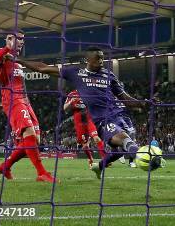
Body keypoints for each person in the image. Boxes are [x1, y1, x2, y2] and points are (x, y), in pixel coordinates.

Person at [15, 46, 160, 179]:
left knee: (119, 151)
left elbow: (125, 98)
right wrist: (20, 60)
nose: (101, 61)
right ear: (87, 60)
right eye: (98, 58)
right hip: (102, 119)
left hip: (120, 115)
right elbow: (42, 68)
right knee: (124, 139)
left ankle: (99, 166)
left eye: (102, 58)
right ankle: (144, 156)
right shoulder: (76, 73)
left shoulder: (109, 75)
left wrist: (144, 103)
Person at [0, 31, 56, 183]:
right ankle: (42, 173)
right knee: (29, 134)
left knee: (35, 140)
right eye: (18, 39)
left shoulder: (17, 62)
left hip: (25, 101)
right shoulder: (1, 53)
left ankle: (5, 166)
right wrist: (6, 47)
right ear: (9, 39)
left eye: (23, 40)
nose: (21, 42)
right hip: (12, 100)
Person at [64, 89, 106, 167]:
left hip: (88, 117)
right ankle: (90, 158)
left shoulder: (88, 90)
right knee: (84, 144)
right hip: (78, 119)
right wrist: (71, 101)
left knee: (96, 138)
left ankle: (105, 159)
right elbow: (65, 108)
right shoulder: (72, 94)